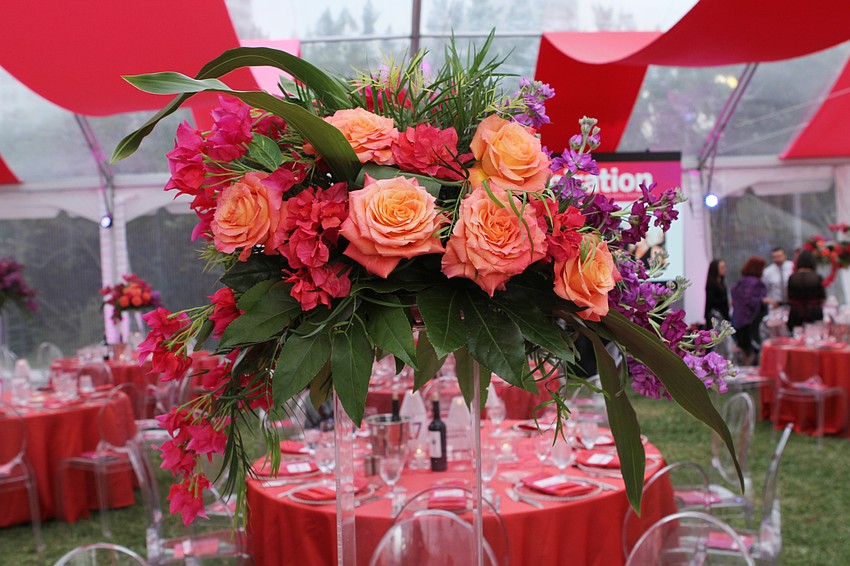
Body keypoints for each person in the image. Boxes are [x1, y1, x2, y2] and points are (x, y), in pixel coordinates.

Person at [730, 257, 768, 366]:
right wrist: (762, 300)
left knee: (744, 349)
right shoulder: (756, 283)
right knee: (753, 351)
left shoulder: (741, 281)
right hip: (751, 320)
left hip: (739, 318)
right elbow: (750, 300)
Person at [786, 250, 826, 331]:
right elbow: (822, 298)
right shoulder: (817, 278)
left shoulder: (792, 278)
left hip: (796, 314)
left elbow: (789, 297)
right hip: (814, 313)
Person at [704, 259, 730, 325]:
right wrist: (726, 302)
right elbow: (711, 301)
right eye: (722, 267)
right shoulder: (711, 284)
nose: (724, 269)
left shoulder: (721, 283)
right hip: (715, 316)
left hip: (723, 315)